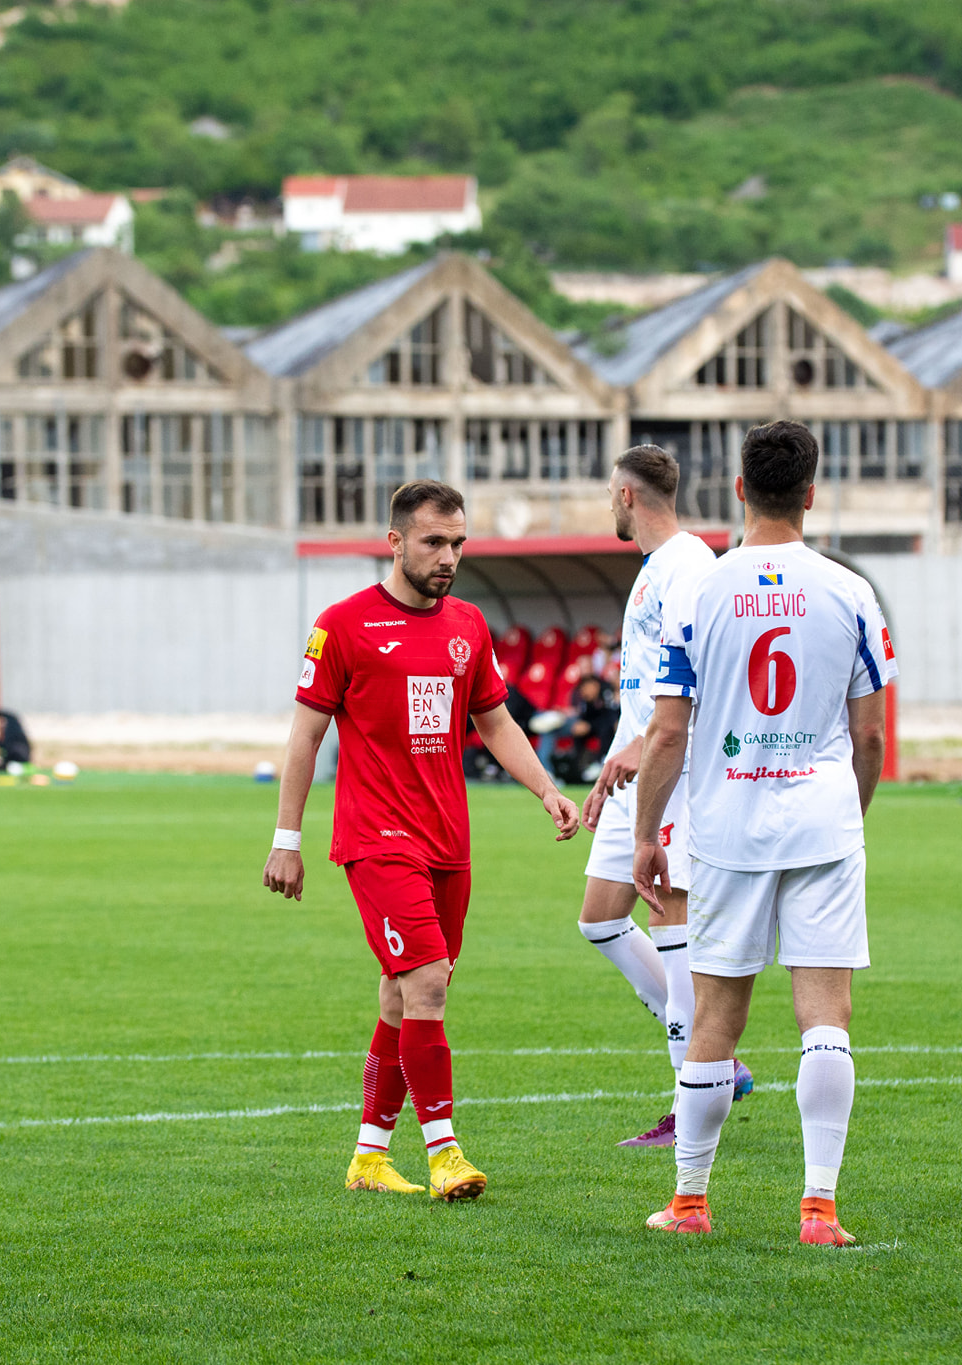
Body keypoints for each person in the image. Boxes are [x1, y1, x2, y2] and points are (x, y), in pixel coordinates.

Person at [263, 480, 580, 1200]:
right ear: (396, 541)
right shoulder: (342, 626)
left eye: (459, 542)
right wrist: (288, 838)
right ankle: (445, 1152)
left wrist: (546, 788)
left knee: (404, 999)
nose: (449, 556)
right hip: (376, 838)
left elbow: (494, 721)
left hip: (448, 839)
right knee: (428, 980)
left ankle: (370, 1156)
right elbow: (306, 736)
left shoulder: (468, 623)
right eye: (435, 542)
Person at [633, 420, 893, 1247]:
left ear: (739, 489)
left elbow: (667, 731)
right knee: (827, 1015)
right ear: (811, 493)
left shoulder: (703, 591)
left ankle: (692, 1201)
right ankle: (819, 1207)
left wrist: (647, 832)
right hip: (821, 820)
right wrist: (847, 811)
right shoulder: (849, 590)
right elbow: (873, 736)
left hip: (728, 827)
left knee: (715, 1016)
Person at [575, 445, 751, 1152]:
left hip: (675, 772)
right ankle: (723, 1062)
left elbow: (696, 680)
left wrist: (642, 744)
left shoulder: (689, 567)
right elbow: (646, 684)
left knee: (675, 926)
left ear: (626, 496)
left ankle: (693, 1085)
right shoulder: (653, 571)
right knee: (599, 918)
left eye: (607, 497)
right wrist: (613, 758)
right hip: (637, 767)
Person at [0, 705, 32, 771]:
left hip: (19, 758)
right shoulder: (11, 730)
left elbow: (12, 718)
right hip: (17, 758)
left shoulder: (12, 729)